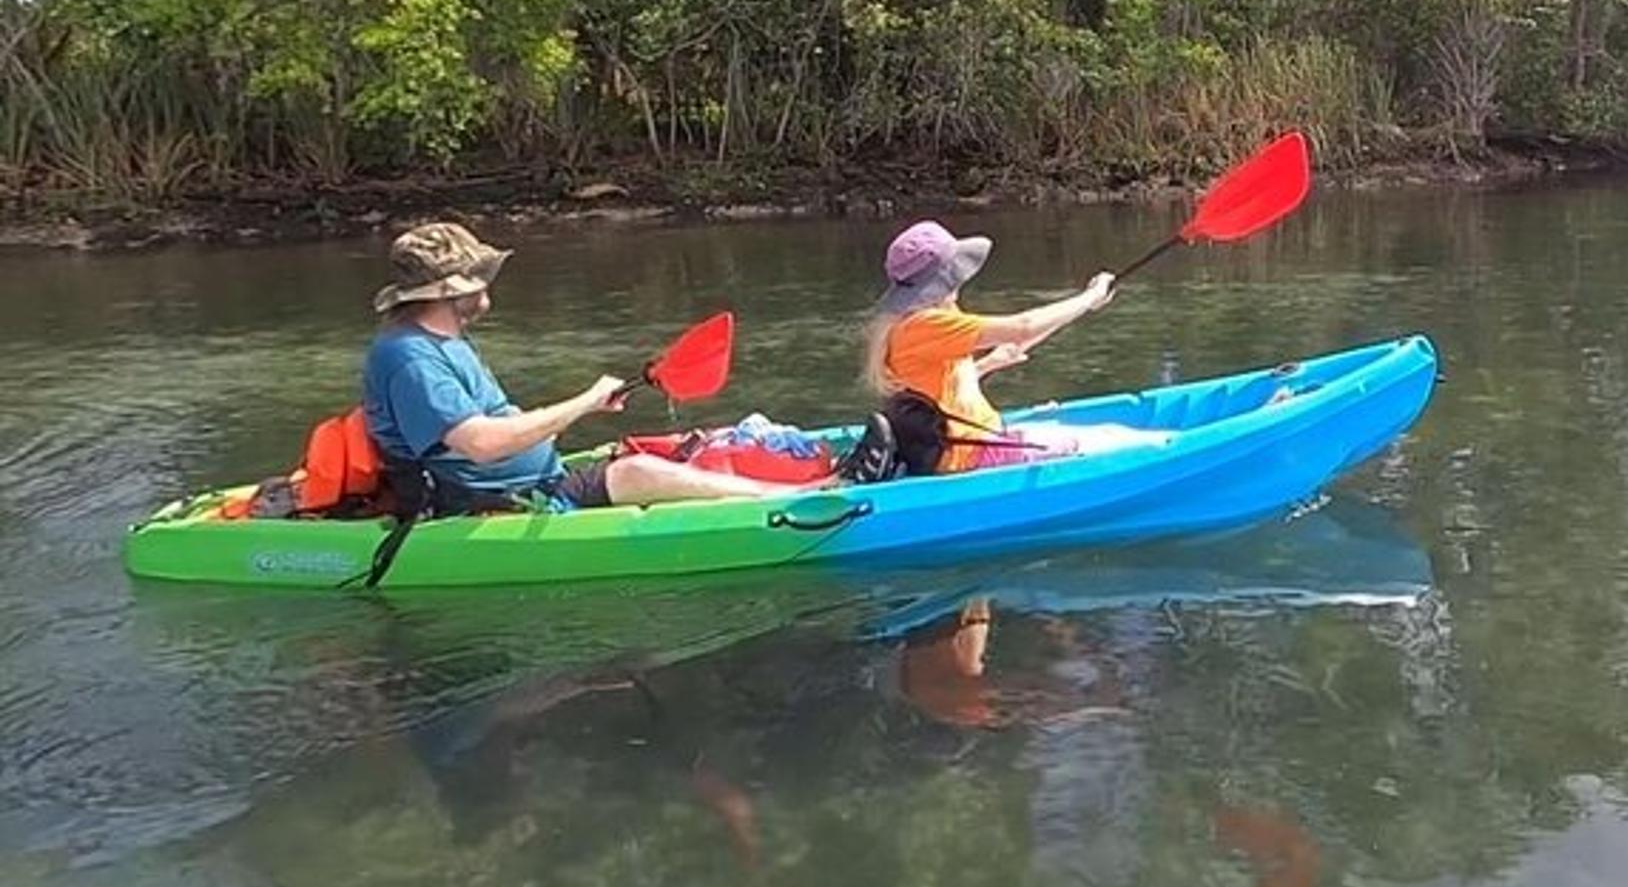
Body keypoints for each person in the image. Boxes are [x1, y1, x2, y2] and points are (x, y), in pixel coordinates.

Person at [364, 222, 793, 511]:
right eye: (479, 277)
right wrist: (584, 401)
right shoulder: (410, 357)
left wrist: (582, 410)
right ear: (453, 290)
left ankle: (787, 482)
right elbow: (482, 444)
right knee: (636, 471)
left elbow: (497, 425)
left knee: (696, 445)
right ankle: (796, 498)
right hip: (495, 502)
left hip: (536, 480)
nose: (488, 284)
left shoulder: (444, 341)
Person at [863, 220, 1168, 472]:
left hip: (976, 443)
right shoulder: (926, 325)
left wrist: (986, 365)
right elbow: (1023, 327)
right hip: (971, 455)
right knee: (1119, 439)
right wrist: (1088, 299)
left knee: (1103, 434)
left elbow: (935, 390)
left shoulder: (912, 324)